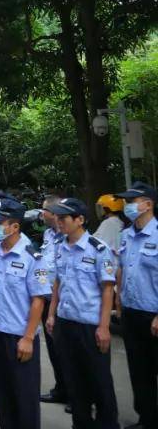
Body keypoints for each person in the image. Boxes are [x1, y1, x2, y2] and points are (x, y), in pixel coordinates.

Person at [0, 197, 50, 429]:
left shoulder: (32, 257)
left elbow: (38, 300)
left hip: (19, 335)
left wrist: (28, 337)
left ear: (15, 226)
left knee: (25, 398)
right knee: (3, 394)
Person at [46, 196, 119, 429]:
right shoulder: (60, 247)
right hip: (65, 322)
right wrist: (51, 314)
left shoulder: (98, 250)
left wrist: (104, 326)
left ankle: (108, 424)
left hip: (90, 324)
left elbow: (108, 289)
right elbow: (57, 282)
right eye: (57, 217)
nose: (58, 221)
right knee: (74, 381)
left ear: (79, 220)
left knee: (99, 381)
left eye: (63, 217)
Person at [116, 181, 158, 429]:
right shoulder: (126, 235)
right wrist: (119, 305)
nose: (127, 205)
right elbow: (121, 270)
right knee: (139, 370)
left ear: (148, 204)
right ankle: (147, 419)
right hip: (132, 313)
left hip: (153, 313)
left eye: (132, 201)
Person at [37, 194, 69, 406]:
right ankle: (62, 389)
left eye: (44, 211)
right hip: (47, 298)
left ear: (54, 213)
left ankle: (77, 394)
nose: (41, 214)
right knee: (54, 350)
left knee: (67, 351)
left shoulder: (69, 237)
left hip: (64, 301)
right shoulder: (48, 235)